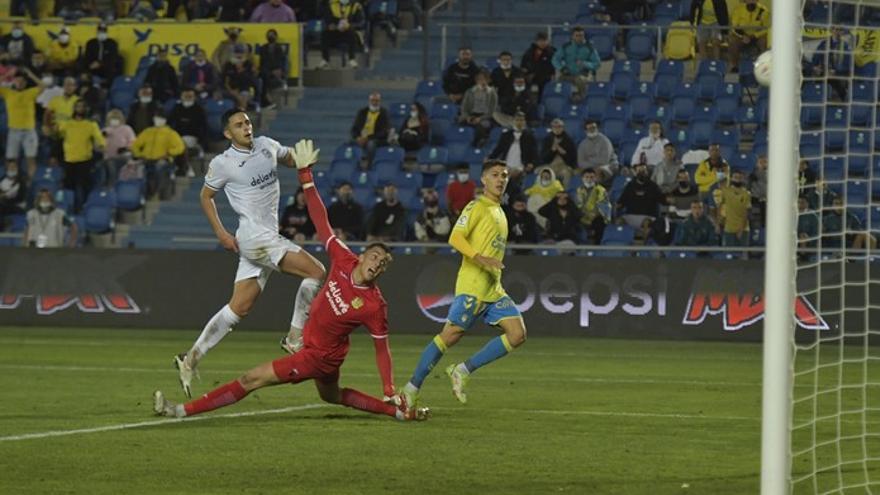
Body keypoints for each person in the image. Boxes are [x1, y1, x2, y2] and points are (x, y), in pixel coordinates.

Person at [153, 139, 429, 422]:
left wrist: (388, 387)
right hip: (327, 355)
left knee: (250, 379)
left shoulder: (373, 304)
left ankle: (180, 410)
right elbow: (321, 221)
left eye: (383, 263)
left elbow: (382, 348)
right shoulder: (343, 259)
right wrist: (306, 178)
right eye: (374, 257)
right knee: (332, 396)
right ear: (361, 256)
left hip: (317, 357)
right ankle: (398, 412)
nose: (377, 264)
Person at [170, 111, 327, 400]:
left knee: (239, 307)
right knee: (316, 271)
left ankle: (190, 358)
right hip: (254, 236)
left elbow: (290, 158)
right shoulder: (223, 163)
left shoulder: (266, 145)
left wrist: (303, 160)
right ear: (228, 133)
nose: (246, 127)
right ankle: (295, 338)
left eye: (248, 123)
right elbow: (206, 196)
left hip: (262, 238)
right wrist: (220, 232)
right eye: (239, 125)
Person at [401, 159, 526, 409]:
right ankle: (411, 388)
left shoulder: (500, 212)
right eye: (495, 175)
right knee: (450, 336)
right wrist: (479, 257)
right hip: (472, 286)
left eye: (504, 175)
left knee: (517, 333)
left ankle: (463, 370)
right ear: (483, 180)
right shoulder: (476, 206)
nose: (501, 179)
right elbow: (455, 237)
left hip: (493, 288)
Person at [58, 100, 105, 213]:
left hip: (84, 160)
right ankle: (70, 209)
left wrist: (101, 145)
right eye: (77, 106)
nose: (80, 109)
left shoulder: (91, 125)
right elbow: (58, 135)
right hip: (69, 160)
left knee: (85, 187)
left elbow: (100, 140)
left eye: (82, 106)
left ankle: (85, 208)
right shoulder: (66, 124)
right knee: (69, 187)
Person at [0, 69, 45, 181]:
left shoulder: (30, 92)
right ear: (14, 82)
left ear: (25, 83)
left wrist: (30, 74)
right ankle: (11, 183)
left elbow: (43, 86)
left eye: (22, 81)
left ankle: (30, 184)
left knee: (30, 159)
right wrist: (7, 75)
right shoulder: (8, 93)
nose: (19, 83)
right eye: (17, 81)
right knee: (10, 159)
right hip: (13, 131)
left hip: (28, 131)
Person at [131, 111, 187, 192]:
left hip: (162, 159)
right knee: (138, 168)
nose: (158, 120)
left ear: (165, 120)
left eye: (161, 118)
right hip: (146, 158)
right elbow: (135, 145)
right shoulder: (147, 131)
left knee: (159, 167)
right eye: (157, 118)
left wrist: (169, 153)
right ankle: (140, 192)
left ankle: (158, 192)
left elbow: (180, 147)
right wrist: (139, 154)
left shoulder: (170, 133)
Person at [551, 27, 600, 101]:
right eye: (577, 35)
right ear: (572, 36)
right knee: (559, 83)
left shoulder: (589, 48)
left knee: (580, 80)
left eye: (581, 35)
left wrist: (585, 64)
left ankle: (584, 99)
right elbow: (555, 59)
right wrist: (561, 68)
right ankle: (562, 101)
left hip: (583, 74)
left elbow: (597, 63)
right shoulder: (566, 46)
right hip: (568, 74)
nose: (579, 38)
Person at [489, 112, 537, 182]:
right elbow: (499, 149)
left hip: (521, 166)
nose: (519, 122)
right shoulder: (506, 135)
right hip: (507, 165)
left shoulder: (529, 136)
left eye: (521, 120)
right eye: (517, 120)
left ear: (524, 122)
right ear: (513, 121)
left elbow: (534, 152)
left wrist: (532, 163)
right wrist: (490, 158)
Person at [616, 163, 667, 229]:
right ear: (635, 172)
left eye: (644, 171)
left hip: (648, 216)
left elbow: (662, 200)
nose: (642, 173)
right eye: (639, 171)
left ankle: (646, 239)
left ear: (647, 173)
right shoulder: (629, 186)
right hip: (630, 215)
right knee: (619, 221)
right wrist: (615, 207)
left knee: (646, 223)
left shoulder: (653, 186)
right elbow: (621, 202)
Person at [319, 0, 366, 69]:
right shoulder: (332, 4)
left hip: (349, 31)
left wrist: (349, 25)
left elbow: (361, 22)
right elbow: (327, 18)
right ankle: (325, 59)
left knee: (352, 33)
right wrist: (330, 25)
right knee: (324, 34)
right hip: (335, 31)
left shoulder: (356, 6)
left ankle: (352, 59)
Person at [712, 169, 751, 247]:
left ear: (743, 179)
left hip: (743, 229)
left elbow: (746, 212)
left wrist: (741, 229)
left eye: (740, 178)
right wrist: (717, 224)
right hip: (729, 228)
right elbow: (719, 207)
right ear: (731, 178)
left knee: (743, 254)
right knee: (729, 254)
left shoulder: (747, 194)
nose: (737, 179)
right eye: (735, 177)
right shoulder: (725, 191)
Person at [168, 88, 208, 161]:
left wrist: (201, 142)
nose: (187, 98)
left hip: (193, 138)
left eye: (190, 96)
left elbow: (204, 127)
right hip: (178, 137)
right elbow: (169, 122)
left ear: (194, 97)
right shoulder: (177, 108)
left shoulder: (199, 109)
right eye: (185, 96)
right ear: (181, 97)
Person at [459, 70, 497, 147]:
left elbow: (491, 111)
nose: (482, 82)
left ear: (488, 80)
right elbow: (464, 108)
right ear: (476, 81)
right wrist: (467, 117)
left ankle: (475, 145)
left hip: (485, 117)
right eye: (480, 79)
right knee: (461, 123)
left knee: (481, 126)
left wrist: (480, 118)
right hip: (471, 115)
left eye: (484, 79)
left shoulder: (492, 93)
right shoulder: (469, 92)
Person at [728, 0, 770, 69]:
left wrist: (753, 36)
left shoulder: (763, 11)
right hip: (742, 36)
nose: (751, 1)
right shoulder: (738, 10)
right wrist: (743, 36)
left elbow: (765, 28)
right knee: (732, 41)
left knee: (764, 41)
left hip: (756, 36)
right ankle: (734, 65)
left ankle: (763, 66)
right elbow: (734, 27)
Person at [574, 168, 611, 244]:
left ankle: (597, 246)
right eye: (586, 177)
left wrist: (594, 214)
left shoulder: (601, 190)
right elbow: (578, 205)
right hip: (583, 216)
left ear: (595, 178)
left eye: (591, 177)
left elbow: (604, 205)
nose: (589, 179)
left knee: (599, 223)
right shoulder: (579, 190)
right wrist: (584, 214)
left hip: (596, 216)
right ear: (582, 178)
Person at [350, 92, 390, 160]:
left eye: (376, 100)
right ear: (369, 101)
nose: (374, 102)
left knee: (371, 144)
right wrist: (357, 137)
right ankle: (352, 165)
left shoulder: (384, 113)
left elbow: (384, 131)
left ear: (380, 101)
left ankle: (370, 165)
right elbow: (354, 128)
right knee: (349, 144)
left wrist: (368, 138)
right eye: (372, 100)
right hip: (361, 137)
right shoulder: (362, 112)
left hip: (376, 139)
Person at [541, 118, 577, 187]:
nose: (557, 129)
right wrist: (552, 150)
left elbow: (573, 161)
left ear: (563, 128)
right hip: (550, 165)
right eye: (554, 127)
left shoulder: (569, 140)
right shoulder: (547, 139)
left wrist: (563, 153)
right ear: (551, 128)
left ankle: (564, 193)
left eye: (559, 127)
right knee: (543, 172)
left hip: (564, 166)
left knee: (566, 173)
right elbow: (543, 159)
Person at [258, 29, 287, 109]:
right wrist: (269, 71)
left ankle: (266, 101)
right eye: (269, 35)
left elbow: (281, 61)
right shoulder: (263, 48)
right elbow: (262, 62)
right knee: (263, 75)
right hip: (266, 71)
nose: (270, 36)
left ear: (276, 36)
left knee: (267, 76)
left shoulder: (279, 48)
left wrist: (279, 70)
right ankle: (265, 101)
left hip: (276, 69)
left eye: (272, 35)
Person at [520, 31, 555, 96]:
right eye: (540, 41)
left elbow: (551, 66)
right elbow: (524, 65)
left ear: (548, 41)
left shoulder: (552, 52)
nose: (542, 43)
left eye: (544, 40)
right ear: (536, 41)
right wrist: (527, 73)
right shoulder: (529, 52)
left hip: (546, 76)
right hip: (531, 75)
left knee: (544, 82)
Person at [0, 162, 26, 230]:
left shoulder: (21, 181)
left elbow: (18, 196)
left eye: (14, 167)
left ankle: (2, 227)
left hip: (17, 205)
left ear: (17, 168)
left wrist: (4, 194)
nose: (12, 168)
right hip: (4, 204)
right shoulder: (2, 180)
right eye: (10, 167)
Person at [749, 155, 768, 226]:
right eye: (761, 162)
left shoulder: (774, 174)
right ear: (757, 163)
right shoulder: (752, 176)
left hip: (770, 203)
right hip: (756, 202)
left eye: (765, 162)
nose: (763, 164)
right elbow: (749, 190)